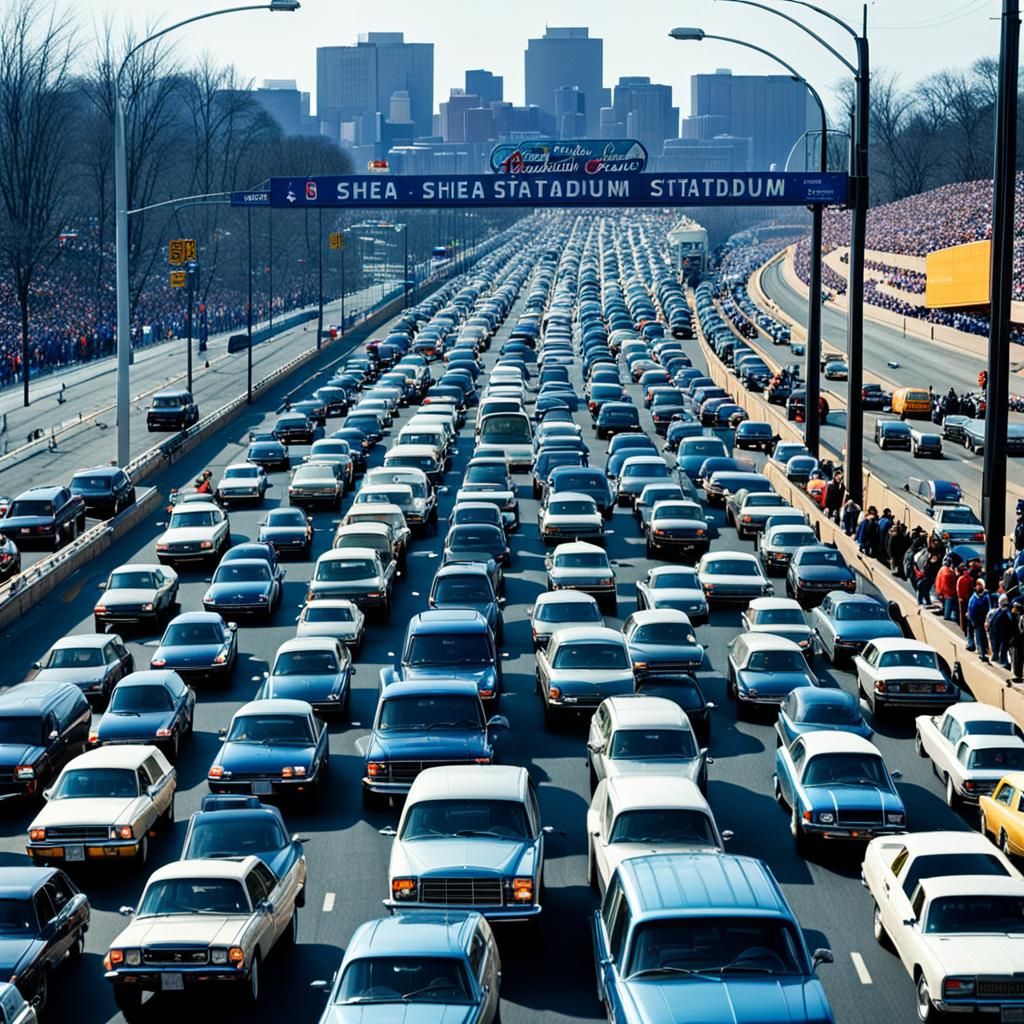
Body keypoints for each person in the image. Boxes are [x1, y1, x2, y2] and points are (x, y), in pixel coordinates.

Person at [967, 578, 992, 660]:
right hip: (976, 620)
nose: (978, 587)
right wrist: (972, 619)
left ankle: (983, 651)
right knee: (978, 636)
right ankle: (980, 652)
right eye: (977, 585)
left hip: (982, 620)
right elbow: (970, 609)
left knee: (982, 637)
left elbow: (988, 609)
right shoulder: (974, 597)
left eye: (980, 585)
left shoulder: (985, 597)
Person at [989, 594, 1013, 669]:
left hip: (1000, 633)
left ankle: (1001, 660)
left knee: (1000, 647)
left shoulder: (1001, 612)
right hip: (1000, 633)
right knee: (1001, 646)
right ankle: (1002, 660)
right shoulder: (1003, 611)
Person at [956, 564, 974, 632]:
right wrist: (960, 597)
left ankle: (966, 627)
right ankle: (963, 628)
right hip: (963, 599)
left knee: (966, 613)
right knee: (963, 614)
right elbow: (958, 589)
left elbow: (971, 589)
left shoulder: (970, 579)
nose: (966, 572)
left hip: (967, 599)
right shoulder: (961, 579)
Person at [1011, 602, 1024, 682]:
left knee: (1018, 658)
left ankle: (1018, 675)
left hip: (1019, 641)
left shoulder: (1020, 618)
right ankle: (1018, 674)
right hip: (1018, 641)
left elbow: (1021, 630)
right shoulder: (1017, 617)